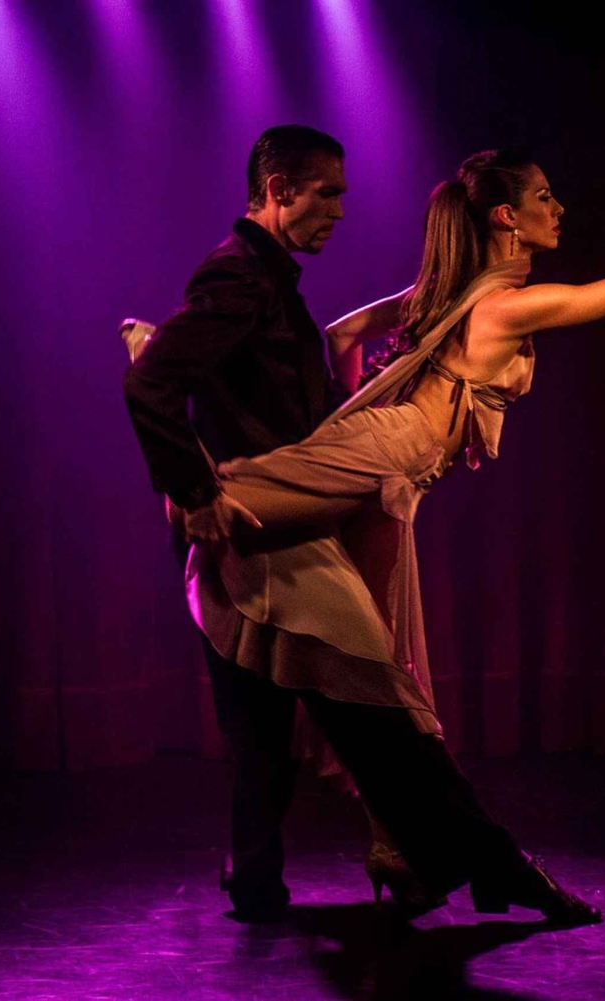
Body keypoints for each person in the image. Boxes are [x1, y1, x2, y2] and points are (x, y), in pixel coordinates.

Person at [174, 148, 605, 926]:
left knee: (386, 673)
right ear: (507, 216)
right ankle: (175, 424)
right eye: (545, 196)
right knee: (232, 496)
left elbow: (342, 334)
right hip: (392, 450)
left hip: (393, 487)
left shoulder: (451, 294)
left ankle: (397, 850)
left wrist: (353, 404)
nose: (560, 208)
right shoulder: (506, 307)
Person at [124, 124, 376, 922]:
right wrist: (197, 493)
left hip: (272, 524)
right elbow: (151, 383)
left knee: (272, 716)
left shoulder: (269, 281)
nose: (340, 210)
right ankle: (260, 876)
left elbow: (278, 403)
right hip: (239, 530)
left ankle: (257, 874)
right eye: (327, 193)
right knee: (268, 714)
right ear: (277, 190)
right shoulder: (239, 276)